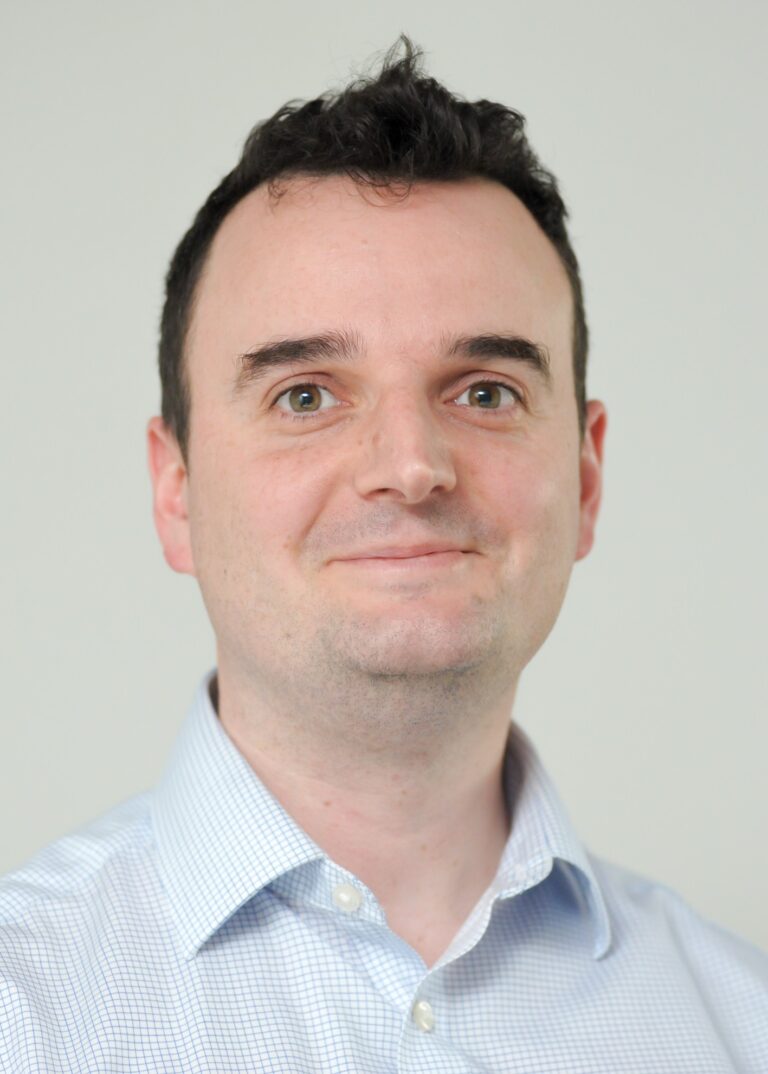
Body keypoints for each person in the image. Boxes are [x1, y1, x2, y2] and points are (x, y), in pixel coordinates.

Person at [1, 35, 766, 1074]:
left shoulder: (741, 1026)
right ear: (175, 490)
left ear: (586, 478)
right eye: (305, 395)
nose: (411, 467)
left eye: (485, 391)